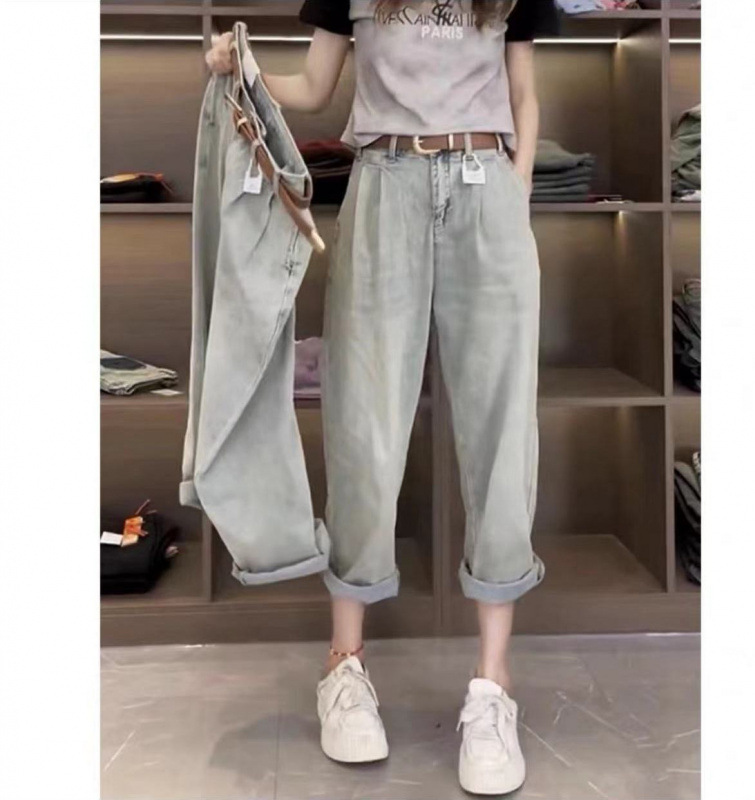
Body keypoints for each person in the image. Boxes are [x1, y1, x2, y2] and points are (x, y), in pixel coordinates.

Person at [205, 0, 558, 793]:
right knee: (363, 429)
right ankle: (344, 665)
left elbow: (524, 91)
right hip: (384, 184)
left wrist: (520, 188)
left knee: (503, 432)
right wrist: (244, 66)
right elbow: (316, 85)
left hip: (486, 188)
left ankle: (493, 685)